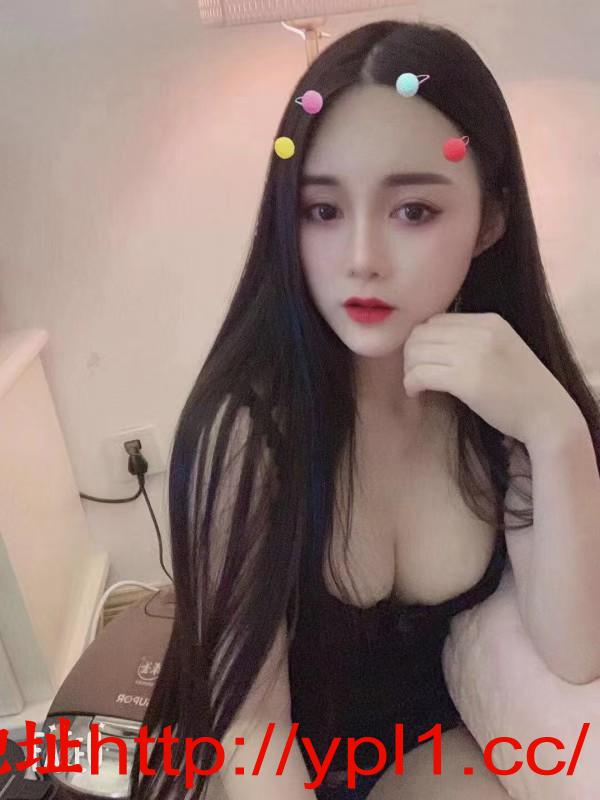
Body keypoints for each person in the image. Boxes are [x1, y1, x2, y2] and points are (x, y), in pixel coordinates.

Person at [129, 19, 600, 800]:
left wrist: (556, 432)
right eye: (322, 211)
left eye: (413, 211)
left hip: (436, 760)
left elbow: (575, 653)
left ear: (489, 220)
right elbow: (249, 732)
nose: (361, 259)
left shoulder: (500, 407)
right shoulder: (247, 433)